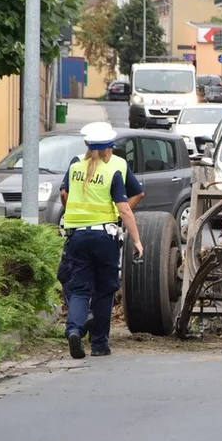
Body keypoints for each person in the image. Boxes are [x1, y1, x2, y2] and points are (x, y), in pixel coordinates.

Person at [59, 123, 144, 359]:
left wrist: (71, 216)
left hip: (76, 236)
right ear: (108, 151)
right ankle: (98, 344)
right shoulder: (112, 172)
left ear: (87, 146)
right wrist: (137, 240)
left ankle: (74, 330)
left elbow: (64, 194)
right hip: (104, 237)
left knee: (79, 289)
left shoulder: (75, 167)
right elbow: (125, 209)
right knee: (105, 290)